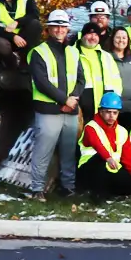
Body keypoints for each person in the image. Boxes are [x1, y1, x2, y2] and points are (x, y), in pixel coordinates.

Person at [26, 10, 82, 199]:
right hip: (48, 110)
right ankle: (37, 190)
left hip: (70, 111)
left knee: (69, 153)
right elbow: (41, 82)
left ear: (67, 29)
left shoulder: (74, 52)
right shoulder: (39, 52)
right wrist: (64, 100)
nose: (59, 30)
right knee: (43, 152)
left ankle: (68, 188)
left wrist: (73, 99)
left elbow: (81, 79)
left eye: (62, 26)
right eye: (55, 26)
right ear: (49, 29)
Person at [76, 92, 131, 199]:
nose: (111, 116)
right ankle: (98, 195)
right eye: (108, 112)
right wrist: (108, 158)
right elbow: (97, 144)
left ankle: (110, 193)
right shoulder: (91, 127)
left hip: (111, 170)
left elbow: (129, 158)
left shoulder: (122, 131)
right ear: (100, 112)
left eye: (115, 113)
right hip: (89, 170)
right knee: (100, 159)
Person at [104, 28, 131, 127]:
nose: (121, 40)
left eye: (124, 38)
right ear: (112, 39)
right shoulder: (106, 57)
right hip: (112, 108)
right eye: (118, 37)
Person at [75, 23, 120, 118]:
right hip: (80, 108)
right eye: (90, 34)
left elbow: (116, 81)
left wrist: (115, 100)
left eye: (96, 35)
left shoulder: (106, 56)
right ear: (82, 35)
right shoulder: (72, 54)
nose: (93, 37)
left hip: (105, 108)